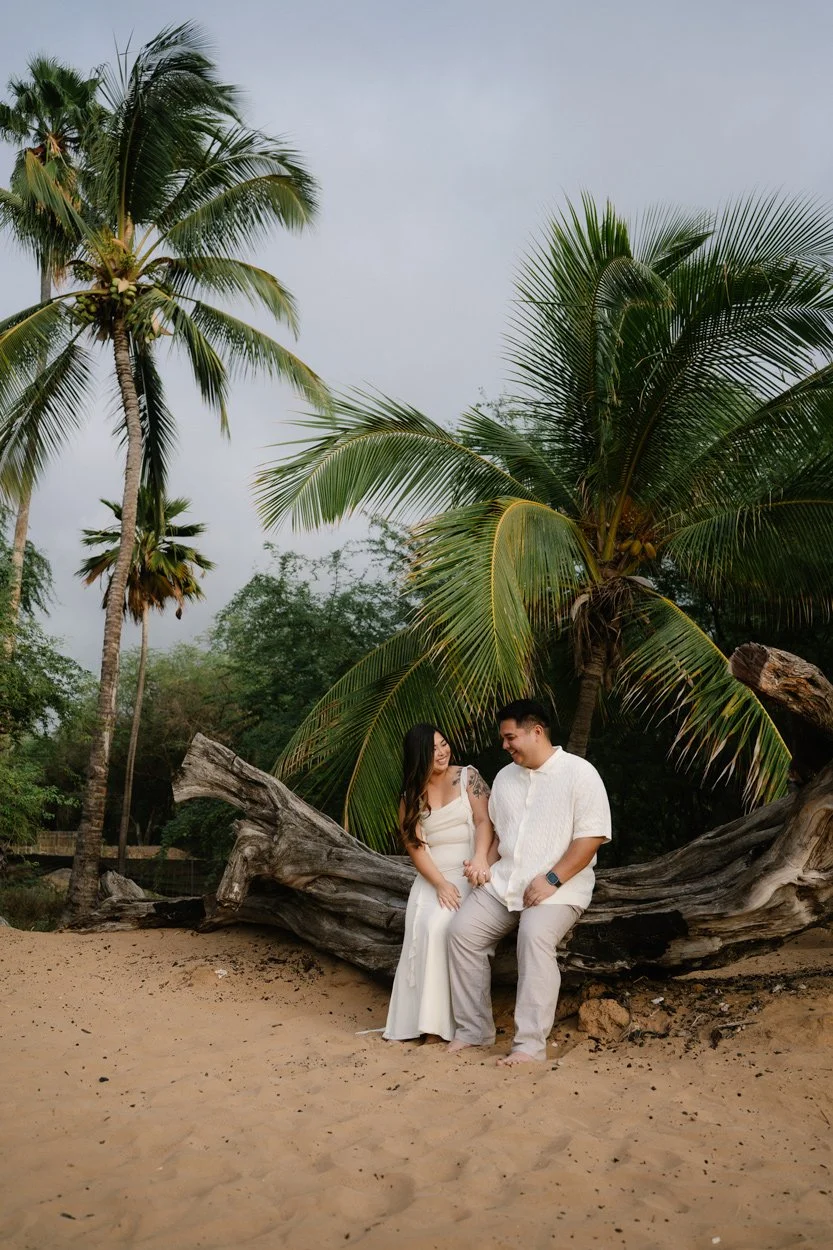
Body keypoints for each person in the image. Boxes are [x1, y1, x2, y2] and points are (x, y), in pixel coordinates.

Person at [447, 699, 611, 1066]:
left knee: (534, 938)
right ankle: (474, 1030)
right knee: (462, 932)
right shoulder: (505, 778)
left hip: (560, 887)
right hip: (505, 881)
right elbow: (498, 835)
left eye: (510, 737)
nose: (504, 745)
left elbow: (591, 837)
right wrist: (483, 865)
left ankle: (529, 1045)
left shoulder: (580, 773)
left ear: (536, 732)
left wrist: (552, 878)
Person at [383, 723, 495, 1043]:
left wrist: (480, 859)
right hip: (433, 876)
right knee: (423, 928)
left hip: (471, 868)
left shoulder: (468, 777)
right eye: (432, 749)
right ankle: (423, 1023)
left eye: (443, 744)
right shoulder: (410, 796)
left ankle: (444, 1026)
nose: (442, 752)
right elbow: (415, 846)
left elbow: (485, 820)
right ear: (418, 756)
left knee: (440, 927)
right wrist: (440, 884)